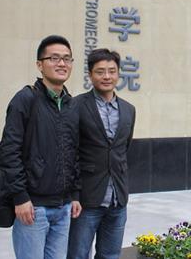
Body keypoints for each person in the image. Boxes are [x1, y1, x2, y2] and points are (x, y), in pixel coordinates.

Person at [0, 35, 82, 259]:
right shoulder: (25, 99)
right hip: (33, 208)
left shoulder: (71, 105)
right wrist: (20, 197)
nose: (62, 63)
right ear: (39, 64)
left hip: (64, 208)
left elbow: (74, 153)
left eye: (67, 59)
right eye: (54, 58)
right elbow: (9, 152)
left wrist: (74, 194)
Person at [67, 48, 136, 259]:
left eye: (112, 71)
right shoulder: (76, 105)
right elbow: (70, 153)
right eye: (100, 71)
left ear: (118, 74)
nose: (107, 76)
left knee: (111, 255)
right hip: (86, 199)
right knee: (77, 255)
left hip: (117, 199)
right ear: (90, 75)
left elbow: (122, 149)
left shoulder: (129, 109)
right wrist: (73, 195)